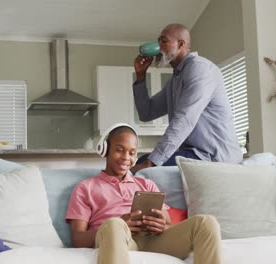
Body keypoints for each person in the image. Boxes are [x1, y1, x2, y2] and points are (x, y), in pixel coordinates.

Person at [66, 123, 222, 264]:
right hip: (117, 238)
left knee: (206, 222)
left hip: (154, 239)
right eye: (119, 150)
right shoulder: (85, 188)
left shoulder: (146, 184)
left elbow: (167, 220)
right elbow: (78, 239)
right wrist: (121, 224)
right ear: (105, 149)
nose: (126, 158)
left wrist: (164, 223)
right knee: (115, 223)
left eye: (132, 153)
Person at [130, 23, 242, 174]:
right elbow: (146, 113)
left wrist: (152, 161)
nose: (159, 47)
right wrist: (141, 77)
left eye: (164, 41)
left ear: (180, 44)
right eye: (158, 42)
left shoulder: (200, 69)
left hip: (215, 157)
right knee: (142, 162)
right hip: (194, 155)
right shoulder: (174, 81)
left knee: (145, 166)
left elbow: (185, 118)